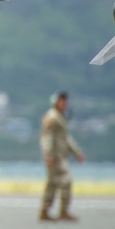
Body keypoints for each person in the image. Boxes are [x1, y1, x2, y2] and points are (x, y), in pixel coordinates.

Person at [38, 91, 85, 222]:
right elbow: (47, 138)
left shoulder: (60, 117)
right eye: (62, 101)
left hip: (60, 156)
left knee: (52, 184)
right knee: (66, 181)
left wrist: (77, 153)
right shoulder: (52, 117)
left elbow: (66, 139)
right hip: (55, 157)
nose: (65, 103)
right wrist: (48, 154)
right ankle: (62, 210)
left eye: (65, 101)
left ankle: (45, 211)